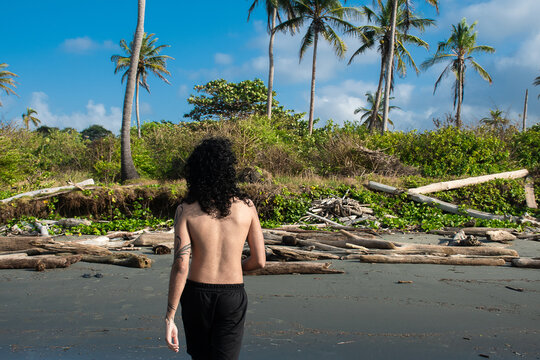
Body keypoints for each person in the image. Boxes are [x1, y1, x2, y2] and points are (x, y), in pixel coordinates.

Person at [165, 137, 266, 359]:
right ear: (228, 170)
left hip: (197, 293)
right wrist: (236, 267)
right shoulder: (247, 207)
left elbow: (181, 265)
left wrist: (169, 317)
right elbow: (259, 261)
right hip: (232, 294)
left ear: (196, 172)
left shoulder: (186, 209)